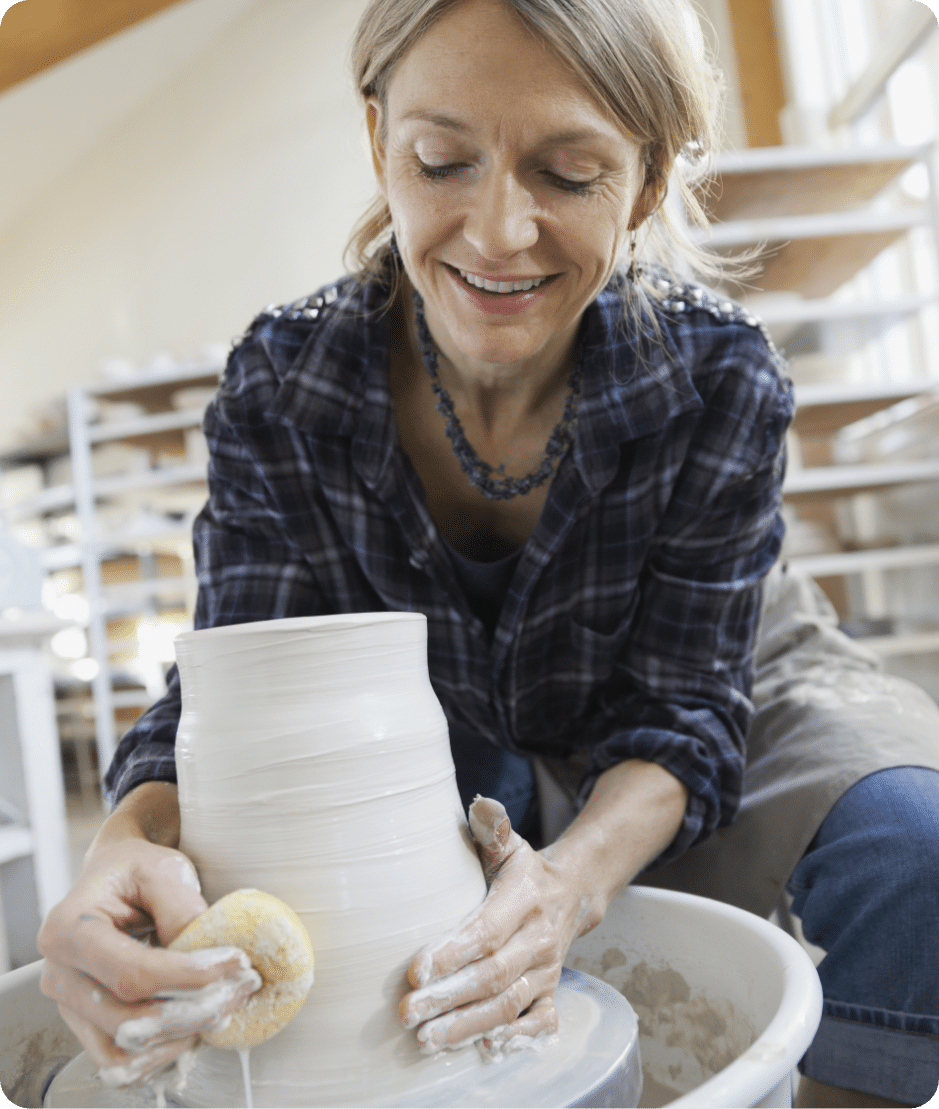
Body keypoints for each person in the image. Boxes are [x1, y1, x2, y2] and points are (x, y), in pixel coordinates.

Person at [37, 1, 939, 1106]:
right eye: (440, 160)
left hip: (727, 669)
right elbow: (235, 683)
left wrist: (565, 885)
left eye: (568, 174)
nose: (498, 231)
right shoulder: (284, 388)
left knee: (918, 852)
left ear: (647, 184)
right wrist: (118, 846)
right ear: (379, 143)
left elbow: (688, 710)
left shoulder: (720, 377)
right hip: (426, 709)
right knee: (396, 876)